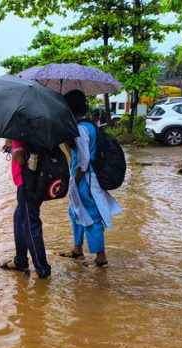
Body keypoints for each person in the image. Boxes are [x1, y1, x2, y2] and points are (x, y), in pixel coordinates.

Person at [59, 90, 122, 267]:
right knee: (75, 211)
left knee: (92, 216)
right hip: (83, 177)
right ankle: (77, 250)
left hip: (85, 179)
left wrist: (76, 180)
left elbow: (84, 160)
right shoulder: (88, 125)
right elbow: (76, 154)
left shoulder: (80, 129)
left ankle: (101, 258)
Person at [0, 139, 52, 279]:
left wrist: (12, 148)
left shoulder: (18, 129)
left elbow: (20, 159)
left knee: (30, 224)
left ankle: (42, 269)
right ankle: (21, 260)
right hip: (37, 180)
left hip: (27, 183)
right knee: (19, 219)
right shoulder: (35, 127)